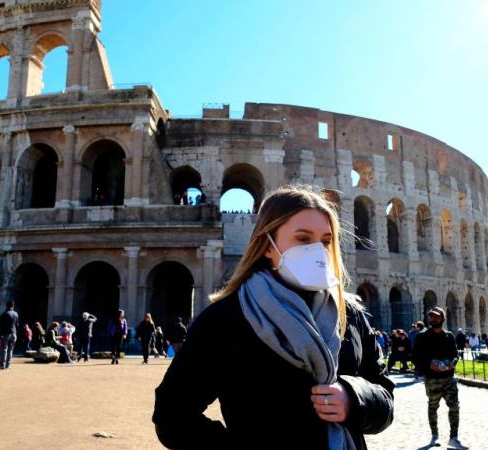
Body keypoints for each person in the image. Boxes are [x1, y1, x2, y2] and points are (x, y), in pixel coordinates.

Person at [153, 186, 394, 449]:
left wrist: (354, 397)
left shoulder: (350, 314)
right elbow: (172, 415)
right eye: (303, 239)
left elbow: (384, 395)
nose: (317, 250)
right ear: (268, 246)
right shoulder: (226, 319)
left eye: (325, 241)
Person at [412, 307, 467, 449]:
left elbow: (455, 354)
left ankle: (454, 438)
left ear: (442, 318)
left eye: (436, 317)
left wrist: (451, 364)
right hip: (432, 379)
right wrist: (429, 364)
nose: (433, 319)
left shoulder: (449, 336)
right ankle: (434, 436)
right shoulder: (422, 337)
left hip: (449, 378)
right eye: (431, 317)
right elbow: (416, 357)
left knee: (454, 407)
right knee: (432, 407)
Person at [0, 301, 19, 370]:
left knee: (4, 349)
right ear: (13, 306)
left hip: (6, 333)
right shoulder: (16, 314)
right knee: (10, 350)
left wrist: (0, 334)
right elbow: (17, 325)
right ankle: (8, 365)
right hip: (14, 333)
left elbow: (1, 325)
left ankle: (2, 365)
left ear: (6, 306)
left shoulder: (5, 314)